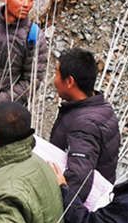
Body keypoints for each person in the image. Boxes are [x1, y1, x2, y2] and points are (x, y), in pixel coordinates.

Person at [49, 47, 120, 202]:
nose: (54, 80)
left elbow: (77, 182)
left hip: (77, 212)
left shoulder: (84, 125)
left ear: (69, 82)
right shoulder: (101, 108)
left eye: (56, 73)